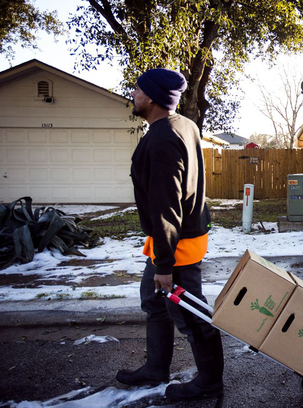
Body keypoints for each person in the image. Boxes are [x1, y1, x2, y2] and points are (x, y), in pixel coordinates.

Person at [116, 68, 224, 402]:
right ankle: (155, 368)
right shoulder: (185, 125)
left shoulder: (163, 139)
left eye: (137, 90)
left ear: (151, 97)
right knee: (153, 300)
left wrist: (164, 265)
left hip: (176, 245)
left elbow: (166, 206)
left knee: (190, 313)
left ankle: (209, 383)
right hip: (174, 239)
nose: (133, 95)